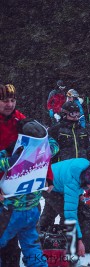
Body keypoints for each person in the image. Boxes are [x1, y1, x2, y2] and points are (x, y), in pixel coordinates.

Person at [0, 119, 56, 267]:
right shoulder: (46, 150)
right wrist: (43, 136)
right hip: (32, 209)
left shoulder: (14, 152)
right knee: (32, 247)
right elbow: (55, 145)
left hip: (10, 211)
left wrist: (9, 159)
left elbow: (2, 162)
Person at [39, 158, 90, 257]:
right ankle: (64, 243)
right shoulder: (73, 181)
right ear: (87, 179)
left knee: (49, 212)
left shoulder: (86, 169)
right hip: (48, 184)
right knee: (64, 213)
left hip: (53, 181)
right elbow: (70, 214)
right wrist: (79, 240)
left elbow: (79, 183)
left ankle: (41, 238)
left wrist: (79, 194)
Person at [0, 83, 24, 266]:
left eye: (12, 100)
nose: (9, 104)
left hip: (12, 189)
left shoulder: (20, 120)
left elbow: (39, 149)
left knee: (9, 237)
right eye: (4, 100)